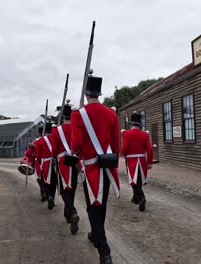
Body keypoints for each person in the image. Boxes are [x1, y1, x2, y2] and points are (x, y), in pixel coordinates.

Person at [71, 75, 120, 264]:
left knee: (93, 207)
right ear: (99, 94)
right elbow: (116, 145)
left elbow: (75, 144)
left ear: (86, 95)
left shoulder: (78, 114)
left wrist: (77, 152)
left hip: (91, 166)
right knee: (102, 205)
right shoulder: (111, 114)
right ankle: (95, 235)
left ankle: (104, 250)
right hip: (107, 166)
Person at [51, 102, 80, 234]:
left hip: (62, 161)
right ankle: (68, 215)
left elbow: (54, 150)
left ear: (63, 117)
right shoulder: (77, 128)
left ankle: (72, 213)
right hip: (74, 161)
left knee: (63, 190)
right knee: (72, 189)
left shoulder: (56, 130)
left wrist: (54, 156)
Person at [121, 111, 153, 211]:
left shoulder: (126, 134)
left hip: (131, 160)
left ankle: (142, 198)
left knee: (134, 181)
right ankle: (135, 198)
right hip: (142, 160)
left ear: (131, 123)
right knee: (138, 180)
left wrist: (123, 153)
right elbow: (150, 150)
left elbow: (124, 148)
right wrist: (149, 162)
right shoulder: (145, 135)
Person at [36, 119, 57, 210]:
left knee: (46, 182)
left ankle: (49, 197)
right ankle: (52, 197)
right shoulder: (56, 138)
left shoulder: (40, 141)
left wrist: (40, 162)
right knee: (54, 182)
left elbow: (38, 155)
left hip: (46, 163)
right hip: (55, 163)